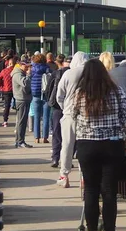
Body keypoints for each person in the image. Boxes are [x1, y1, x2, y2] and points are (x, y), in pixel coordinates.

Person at [72, 59, 126, 231]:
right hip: (112, 145)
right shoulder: (117, 92)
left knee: (90, 190)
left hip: (86, 146)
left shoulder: (79, 94)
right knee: (109, 191)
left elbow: (73, 117)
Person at [56, 51, 90, 188]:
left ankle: (64, 175)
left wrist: (66, 108)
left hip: (70, 114)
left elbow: (59, 95)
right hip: (87, 114)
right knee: (84, 146)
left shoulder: (68, 73)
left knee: (67, 145)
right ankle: (84, 177)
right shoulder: (90, 74)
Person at [46, 54, 70, 168]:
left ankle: (55, 158)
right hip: (70, 107)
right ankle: (68, 159)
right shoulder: (73, 74)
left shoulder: (55, 74)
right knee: (70, 134)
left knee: (56, 132)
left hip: (57, 107)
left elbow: (48, 90)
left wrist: (50, 101)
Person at [30, 53, 52, 143]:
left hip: (35, 94)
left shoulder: (32, 69)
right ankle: (45, 138)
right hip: (46, 95)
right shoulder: (47, 68)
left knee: (37, 116)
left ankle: (36, 137)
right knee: (46, 117)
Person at [12, 61, 33, 148]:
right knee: (21, 121)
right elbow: (24, 83)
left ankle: (19, 141)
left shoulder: (20, 73)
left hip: (24, 99)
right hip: (21, 99)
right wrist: (28, 75)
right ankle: (20, 141)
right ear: (21, 65)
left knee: (22, 121)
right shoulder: (17, 74)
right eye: (26, 66)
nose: (28, 68)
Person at [0, 56, 17, 127]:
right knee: (18, 106)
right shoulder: (16, 71)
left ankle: (5, 121)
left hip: (6, 90)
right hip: (15, 90)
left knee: (7, 106)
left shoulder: (4, 71)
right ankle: (18, 120)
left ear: (9, 63)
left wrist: (1, 87)